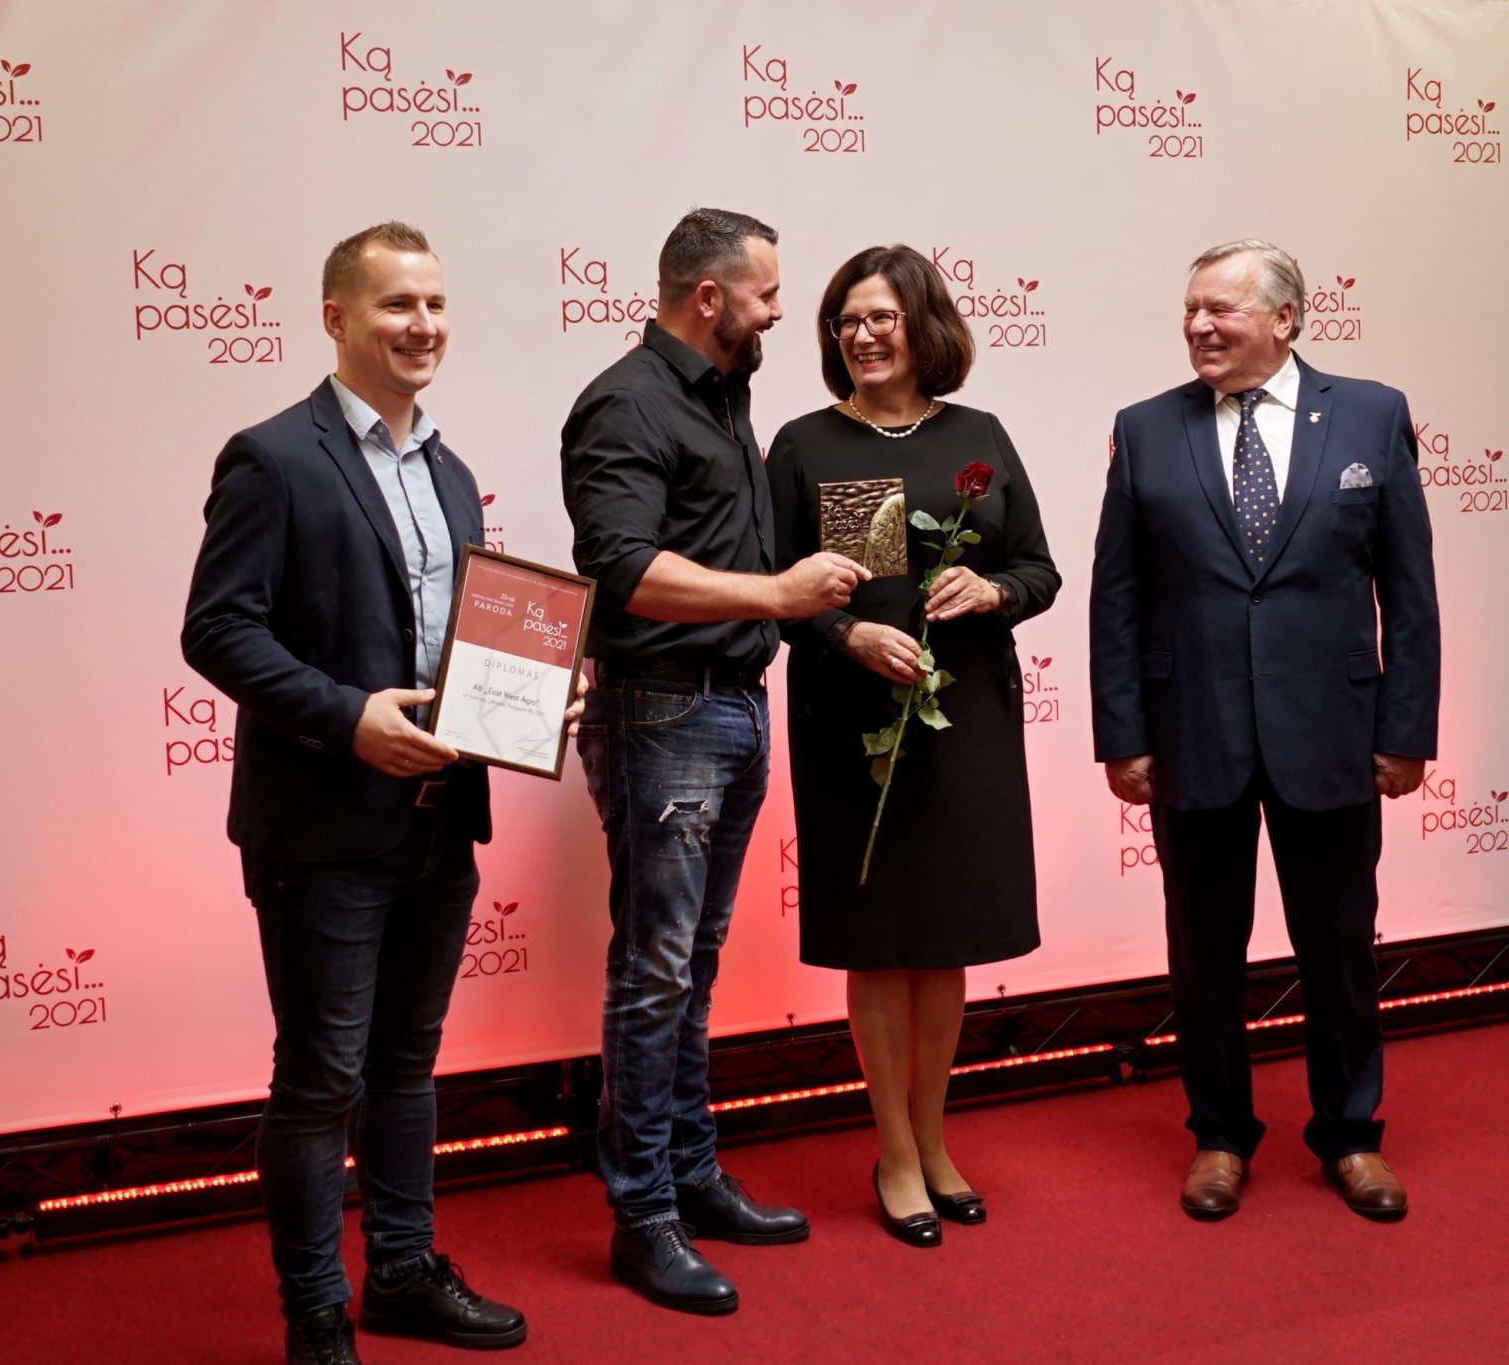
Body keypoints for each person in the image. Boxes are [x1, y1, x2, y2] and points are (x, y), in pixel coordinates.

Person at [183, 222, 568, 1363]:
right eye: (398, 305)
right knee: (319, 1081)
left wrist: (528, 706)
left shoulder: (449, 472)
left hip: (440, 822)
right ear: (336, 319)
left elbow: (458, 646)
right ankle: (315, 1313)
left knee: (405, 1066)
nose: (423, 326)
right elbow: (218, 630)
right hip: (320, 828)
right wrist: (349, 717)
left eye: (436, 305)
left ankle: (401, 1272)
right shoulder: (272, 458)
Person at [1088, 239, 1441, 1222]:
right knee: (1203, 954)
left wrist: (1405, 727)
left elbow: (1408, 590)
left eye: (1221, 309)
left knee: (1340, 947)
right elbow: (1116, 599)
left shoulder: (1370, 413)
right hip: (1189, 734)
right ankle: (1219, 1136)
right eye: (1190, 309)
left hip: (1332, 733)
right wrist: (1122, 734)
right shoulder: (1144, 429)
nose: (1199, 326)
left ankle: (1351, 1135)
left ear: (1285, 319)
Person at [560, 207, 869, 1314]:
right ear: (709, 297)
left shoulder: (723, 394)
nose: (780, 312)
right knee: (655, 970)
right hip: (661, 712)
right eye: (766, 293)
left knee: (691, 962)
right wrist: (777, 594)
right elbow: (622, 568)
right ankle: (642, 1213)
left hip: (730, 707)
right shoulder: (625, 401)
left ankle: (689, 1176)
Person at [766, 244, 1060, 1248]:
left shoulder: (979, 435)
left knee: (943, 939)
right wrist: (847, 634)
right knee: (881, 939)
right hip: (852, 727)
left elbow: (1039, 570)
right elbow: (776, 596)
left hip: (965, 716)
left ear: (924, 325)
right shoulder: (803, 445)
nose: (861, 334)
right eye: (846, 319)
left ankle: (934, 1140)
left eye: (880, 316)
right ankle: (893, 1151)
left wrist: (994, 590)